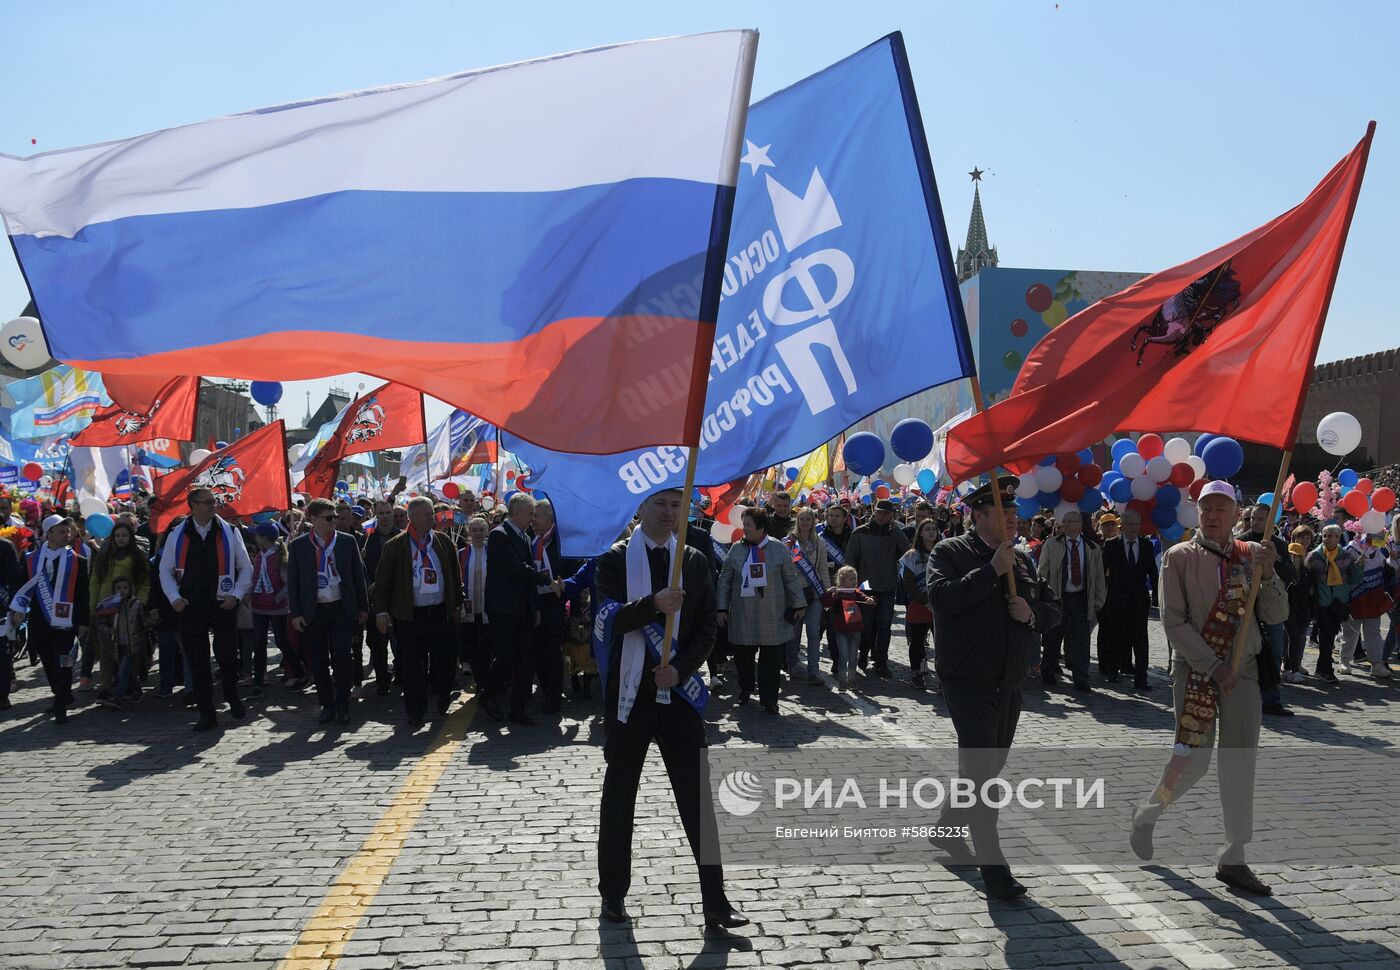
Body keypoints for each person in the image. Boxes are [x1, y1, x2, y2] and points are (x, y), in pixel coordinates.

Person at [594, 488, 747, 931]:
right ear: (640, 507)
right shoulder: (614, 559)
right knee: (620, 798)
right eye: (660, 504)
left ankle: (716, 900)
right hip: (630, 696)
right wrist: (652, 605)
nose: (668, 512)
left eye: (676, 505)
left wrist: (679, 669)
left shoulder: (695, 560)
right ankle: (613, 895)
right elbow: (607, 619)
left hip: (677, 694)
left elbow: (705, 630)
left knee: (697, 799)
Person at [1130, 481, 1287, 897]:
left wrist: (1269, 574)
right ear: (1197, 514)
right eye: (1206, 509)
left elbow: (1277, 614)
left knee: (1240, 764)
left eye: (1221, 508)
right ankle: (1149, 811)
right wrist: (1214, 666)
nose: (1213, 515)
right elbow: (1174, 621)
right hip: (1198, 671)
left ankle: (1234, 856)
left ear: (1236, 513)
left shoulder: (1252, 556)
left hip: (1246, 673)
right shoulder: (1177, 558)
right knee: (1191, 762)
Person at [926, 476, 1060, 900]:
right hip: (966, 680)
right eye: (1004, 513)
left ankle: (948, 827)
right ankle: (995, 871)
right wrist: (990, 572)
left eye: (1015, 512)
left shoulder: (1023, 559)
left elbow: (1053, 608)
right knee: (984, 776)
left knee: (987, 766)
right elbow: (942, 600)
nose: (1014, 519)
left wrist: (1032, 613)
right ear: (978, 516)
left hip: (1009, 680)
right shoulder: (950, 552)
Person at [158, 490, 253, 732]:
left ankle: (231, 694)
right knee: (197, 661)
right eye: (207, 502)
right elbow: (165, 569)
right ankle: (206, 711)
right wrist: (174, 597)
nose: (213, 506)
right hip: (191, 606)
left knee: (227, 655)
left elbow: (245, 567)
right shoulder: (177, 534)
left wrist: (236, 595)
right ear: (193, 505)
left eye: (214, 502)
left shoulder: (230, 531)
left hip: (223, 604)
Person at [373, 496, 463, 729]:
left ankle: (443, 695)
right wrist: (381, 612)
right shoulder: (396, 545)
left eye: (432, 513)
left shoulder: (443, 542)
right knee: (413, 666)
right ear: (411, 517)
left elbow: (454, 576)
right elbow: (382, 583)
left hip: (439, 613)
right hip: (410, 616)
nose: (432, 517)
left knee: (445, 660)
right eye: (427, 514)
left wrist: (457, 603)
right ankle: (415, 711)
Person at [288, 498, 370, 725]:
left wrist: (363, 607)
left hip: (342, 608)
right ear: (313, 520)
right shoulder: (299, 546)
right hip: (314, 611)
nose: (334, 521)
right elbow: (293, 583)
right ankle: (326, 704)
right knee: (318, 661)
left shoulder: (346, 542)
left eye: (335, 517)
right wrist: (296, 613)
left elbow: (357, 576)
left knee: (344, 658)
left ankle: (343, 703)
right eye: (328, 518)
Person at [716, 508, 805, 714]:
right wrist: (722, 607)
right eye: (743, 524)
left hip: (771, 613)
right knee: (743, 659)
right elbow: (725, 579)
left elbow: (790, 578)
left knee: (770, 661)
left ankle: (770, 699)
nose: (744, 528)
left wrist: (798, 603)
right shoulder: (737, 549)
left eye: (748, 524)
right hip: (742, 613)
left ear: (761, 527)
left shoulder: (778, 549)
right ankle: (745, 689)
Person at [8, 515, 92, 723]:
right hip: (40, 620)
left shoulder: (78, 560)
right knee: (47, 659)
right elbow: (21, 586)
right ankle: (60, 694)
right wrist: (18, 609)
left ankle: (61, 704)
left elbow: (83, 594)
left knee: (64, 661)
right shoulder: (30, 559)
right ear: (49, 534)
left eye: (68, 531)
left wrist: (83, 621)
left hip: (66, 621)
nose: (67, 535)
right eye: (62, 531)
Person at [482, 493, 540, 724]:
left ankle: (518, 710)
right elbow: (517, 568)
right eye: (530, 514)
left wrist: (535, 608)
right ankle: (488, 695)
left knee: (526, 661)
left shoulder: (525, 536)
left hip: (523, 609)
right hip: (503, 608)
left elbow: (527, 574)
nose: (532, 519)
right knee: (505, 657)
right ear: (516, 513)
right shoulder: (499, 535)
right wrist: (546, 581)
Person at [1036, 509, 1106, 691]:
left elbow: (1099, 577)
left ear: (1079, 525)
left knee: (1081, 640)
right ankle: (1048, 671)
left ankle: (1081, 678)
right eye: (1064, 521)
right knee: (1053, 637)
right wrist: (1043, 598)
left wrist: (1099, 600)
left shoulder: (1092, 548)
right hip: (1058, 598)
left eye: (1069, 521)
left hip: (1082, 599)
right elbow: (1042, 573)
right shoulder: (1051, 545)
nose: (1064, 524)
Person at [1239, 503, 1297, 714]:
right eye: (1252, 518)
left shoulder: (1278, 544)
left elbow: (1291, 574)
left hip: (1270, 606)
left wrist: (1275, 561)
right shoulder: (1241, 541)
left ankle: (1271, 700)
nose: (1255, 522)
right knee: (1245, 652)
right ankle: (1245, 697)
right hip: (1246, 606)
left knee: (1274, 653)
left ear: (1270, 521)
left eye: (1261, 519)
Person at [844, 499, 911, 678]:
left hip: (888, 586)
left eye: (887, 514)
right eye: (880, 512)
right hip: (866, 587)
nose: (882, 516)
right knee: (866, 626)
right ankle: (864, 653)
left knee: (885, 626)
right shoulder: (860, 533)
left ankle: (881, 661)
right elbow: (850, 558)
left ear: (892, 516)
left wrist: (896, 529)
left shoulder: (894, 533)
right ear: (874, 512)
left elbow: (907, 550)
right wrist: (852, 584)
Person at [88, 521, 151, 702]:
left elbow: (144, 583)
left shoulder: (138, 557)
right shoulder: (104, 555)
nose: (121, 539)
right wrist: (93, 607)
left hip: (129, 611)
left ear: (130, 537)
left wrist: (139, 603)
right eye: (118, 536)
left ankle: (133, 684)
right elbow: (95, 582)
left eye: (125, 535)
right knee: (106, 652)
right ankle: (106, 688)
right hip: (106, 610)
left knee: (130, 651)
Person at [1098, 509, 1158, 689]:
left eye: (1137, 524)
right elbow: (1101, 573)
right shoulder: (1111, 545)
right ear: (1121, 526)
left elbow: (1153, 574)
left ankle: (1141, 677)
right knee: (1114, 636)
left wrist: (1158, 596)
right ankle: (1113, 671)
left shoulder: (1146, 545)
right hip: (1116, 599)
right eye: (1130, 524)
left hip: (1139, 601)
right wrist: (1100, 595)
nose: (1134, 528)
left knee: (1140, 639)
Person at [1304, 524, 1359, 683]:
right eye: (1324, 535)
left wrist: (1359, 567)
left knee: (1330, 635)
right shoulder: (1314, 556)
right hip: (1322, 602)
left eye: (1331, 536)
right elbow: (1307, 578)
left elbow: (1355, 579)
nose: (1327, 538)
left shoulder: (1347, 556)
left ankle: (1322, 669)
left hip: (1339, 602)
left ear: (1338, 537)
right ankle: (1325, 670)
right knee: (1327, 636)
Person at [528, 499, 567, 715]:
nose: (533, 520)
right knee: (538, 651)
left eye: (537, 516)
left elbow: (571, 572)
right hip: (536, 603)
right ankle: (544, 689)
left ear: (550, 518)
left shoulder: (561, 542)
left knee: (552, 652)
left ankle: (554, 697)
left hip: (556, 604)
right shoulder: (532, 541)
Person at [1340, 526, 1394, 678]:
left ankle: (1376, 664)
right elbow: (1344, 572)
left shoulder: (1376, 551)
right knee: (1350, 632)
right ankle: (1344, 660)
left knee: (1373, 632)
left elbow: (1386, 567)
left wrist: (1393, 558)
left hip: (1373, 597)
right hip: (1355, 597)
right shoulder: (1350, 550)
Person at [785, 508, 831, 685]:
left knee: (813, 632)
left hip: (814, 593)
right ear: (797, 520)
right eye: (801, 519)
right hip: (795, 594)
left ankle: (814, 670)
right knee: (794, 633)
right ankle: (793, 666)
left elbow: (823, 569)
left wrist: (826, 591)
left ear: (814, 521)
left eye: (808, 519)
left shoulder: (820, 543)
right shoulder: (789, 542)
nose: (804, 522)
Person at [248, 522, 294, 695]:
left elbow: (288, 583)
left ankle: (298, 671)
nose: (254, 537)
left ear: (265, 537)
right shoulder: (261, 554)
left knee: (282, 641)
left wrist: (278, 597)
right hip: (259, 606)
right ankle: (258, 681)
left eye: (257, 534)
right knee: (258, 644)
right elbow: (254, 575)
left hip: (277, 608)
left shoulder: (279, 556)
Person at [362, 498, 402, 695]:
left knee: (399, 641)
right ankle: (382, 679)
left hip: (397, 597)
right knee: (377, 643)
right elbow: (359, 567)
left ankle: (401, 673)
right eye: (381, 513)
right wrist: (369, 584)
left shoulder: (402, 537)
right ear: (375, 515)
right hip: (375, 597)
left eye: (388, 513)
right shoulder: (367, 538)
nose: (385, 517)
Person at [92, 576, 146, 707]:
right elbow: (100, 622)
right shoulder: (110, 605)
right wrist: (109, 630)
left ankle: (118, 698)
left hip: (132, 644)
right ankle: (136, 690)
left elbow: (143, 622)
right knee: (126, 672)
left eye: (125, 588)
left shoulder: (136, 604)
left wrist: (152, 620)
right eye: (119, 588)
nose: (122, 591)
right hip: (117, 644)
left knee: (123, 671)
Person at [900, 519, 939, 688]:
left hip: (939, 605)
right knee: (917, 641)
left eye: (934, 529)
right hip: (918, 604)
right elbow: (908, 584)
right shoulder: (911, 556)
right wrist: (925, 601)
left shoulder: (943, 553)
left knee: (942, 642)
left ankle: (943, 677)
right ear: (920, 533)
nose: (931, 532)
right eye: (927, 529)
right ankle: (916, 672)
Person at [822, 565, 872, 690]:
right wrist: (829, 593)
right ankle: (842, 680)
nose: (855, 581)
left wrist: (869, 599)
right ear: (842, 581)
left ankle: (852, 680)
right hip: (841, 629)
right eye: (851, 579)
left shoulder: (856, 591)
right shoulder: (837, 593)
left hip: (855, 628)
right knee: (843, 655)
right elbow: (827, 603)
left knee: (853, 656)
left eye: (855, 578)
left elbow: (863, 596)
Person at [457, 516, 490, 691]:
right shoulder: (462, 553)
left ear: (486, 531)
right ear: (469, 532)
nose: (478, 533)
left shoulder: (492, 552)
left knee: (484, 646)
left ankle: (483, 680)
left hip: (487, 607)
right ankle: (473, 672)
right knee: (471, 643)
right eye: (474, 529)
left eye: (481, 529)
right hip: (468, 607)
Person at [0, 530, 24, 711]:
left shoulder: (5, 546)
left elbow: (16, 578)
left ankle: (2, 696)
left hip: (2, 606)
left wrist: (16, 608)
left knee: (2, 653)